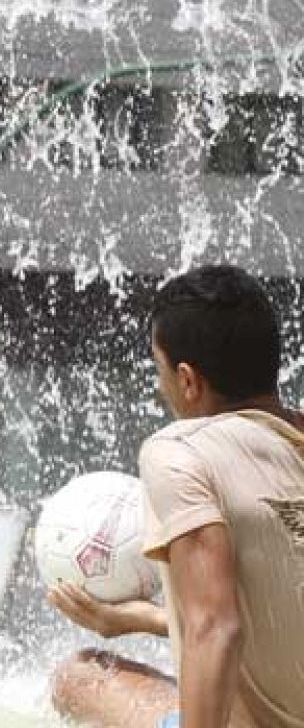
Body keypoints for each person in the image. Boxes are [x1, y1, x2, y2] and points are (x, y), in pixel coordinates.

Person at [47, 265, 304, 728]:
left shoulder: (179, 452)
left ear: (188, 380)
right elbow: (285, 611)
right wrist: (140, 618)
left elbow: (218, 629)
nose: (160, 386)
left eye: (159, 369)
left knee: (78, 676)